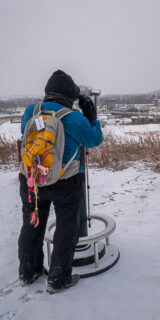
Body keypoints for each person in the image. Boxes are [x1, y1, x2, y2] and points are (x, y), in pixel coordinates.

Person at [18, 70, 103, 293]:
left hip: (32, 178)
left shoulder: (31, 111)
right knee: (66, 227)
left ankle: (28, 271)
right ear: (70, 95)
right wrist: (91, 116)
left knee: (32, 223)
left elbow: (25, 137)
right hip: (65, 180)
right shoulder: (73, 117)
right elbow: (95, 139)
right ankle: (58, 278)